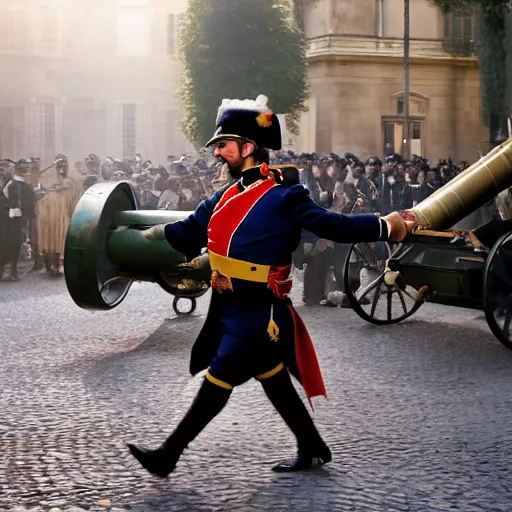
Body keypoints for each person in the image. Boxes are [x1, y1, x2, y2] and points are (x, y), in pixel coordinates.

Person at [127, 94, 412, 478]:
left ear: (247, 148)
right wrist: (150, 233)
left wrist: (385, 225)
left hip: (261, 312)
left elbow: (335, 226)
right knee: (272, 377)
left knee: (220, 377)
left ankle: (168, 455)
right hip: (230, 307)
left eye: (223, 146)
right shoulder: (224, 195)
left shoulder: (286, 195)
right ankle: (312, 445)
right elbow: (189, 231)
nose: (216, 154)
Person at [35, 156, 81, 276]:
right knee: (52, 236)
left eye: (63, 166)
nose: (61, 169)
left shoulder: (70, 181)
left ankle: (55, 264)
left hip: (61, 212)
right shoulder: (54, 181)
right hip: (53, 211)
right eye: (59, 166)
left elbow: (73, 194)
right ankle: (51, 264)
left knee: (59, 236)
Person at [0, 160, 34, 281]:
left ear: (11, 170)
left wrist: (21, 215)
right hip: (3, 220)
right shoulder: (4, 182)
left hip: (12, 220)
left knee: (13, 245)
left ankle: (13, 272)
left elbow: (23, 202)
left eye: (5, 168)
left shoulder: (18, 184)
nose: (2, 171)